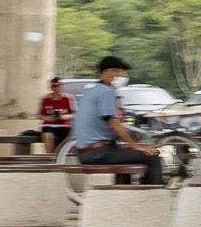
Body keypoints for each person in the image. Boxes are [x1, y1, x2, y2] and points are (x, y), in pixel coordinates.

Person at [70, 54, 164, 185]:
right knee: (152, 157)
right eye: (121, 73)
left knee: (131, 153)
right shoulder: (106, 92)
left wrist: (130, 145)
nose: (124, 77)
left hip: (86, 153)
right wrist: (135, 145)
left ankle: (134, 193)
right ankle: (151, 197)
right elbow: (115, 125)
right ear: (109, 73)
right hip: (98, 153)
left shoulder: (90, 92)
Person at [36, 76, 75, 149]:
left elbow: (74, 114)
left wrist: (62, 117)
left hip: (64, 126)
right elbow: (39, 115)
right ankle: (50, 157)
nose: (56, 89)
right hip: (49, 126)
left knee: (71, 140)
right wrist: (49, 118)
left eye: (58, 86)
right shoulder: (45, 99)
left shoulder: (68, 99)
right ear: (51, 87)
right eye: (54, 86)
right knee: (47, 136)